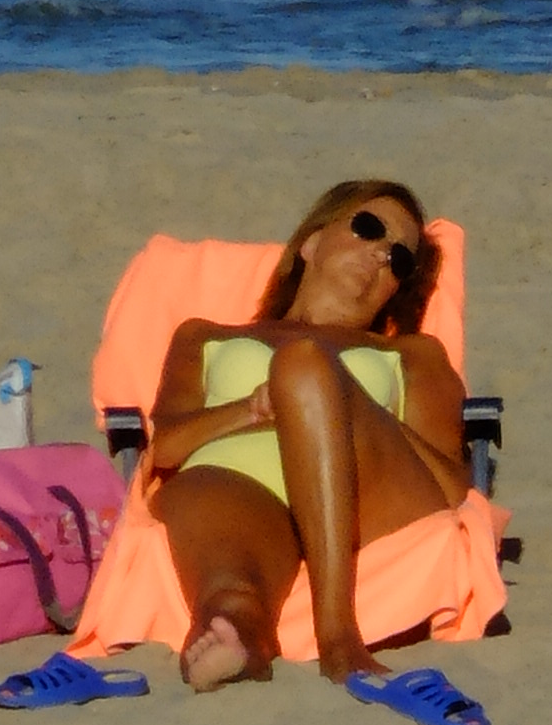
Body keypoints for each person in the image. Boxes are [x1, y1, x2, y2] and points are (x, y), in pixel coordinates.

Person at [143, 175, 467, 690]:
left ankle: (337, 635)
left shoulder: (412, 354)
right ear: (311, 242)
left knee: (304, 363)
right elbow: (162, 448)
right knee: (232, 596)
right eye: (369, 228)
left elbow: (453, 489)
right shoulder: (203, 336)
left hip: (366, 495)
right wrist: (251, 410)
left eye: (400, 259)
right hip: (240, 487)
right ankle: (241, 636)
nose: (382, 255)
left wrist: (341, 398)